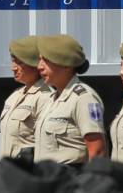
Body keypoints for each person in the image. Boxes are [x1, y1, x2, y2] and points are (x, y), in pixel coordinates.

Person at [33, 35, 106, 165]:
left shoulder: (85, 98)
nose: (39, 67)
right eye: (39, 60)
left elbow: (98, 151)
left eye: (46, 60)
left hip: (71, 182)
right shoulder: (52, 99)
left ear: (66, 65)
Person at [0, 36, 52, 159]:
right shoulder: (14, 96)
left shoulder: (46, 97)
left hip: (31, 175)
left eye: (20, 62)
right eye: (13, 61)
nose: (13, 67)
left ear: (36, 65)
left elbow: (49, 146)